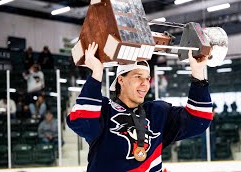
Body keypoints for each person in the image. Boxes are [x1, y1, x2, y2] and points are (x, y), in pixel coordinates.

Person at [67, 42, 213, 172]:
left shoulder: (157, 113)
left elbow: (198, 121)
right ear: (121, 80)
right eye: (138, 76)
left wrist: (198, 73)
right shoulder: (104, 109)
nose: (145, 83)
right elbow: (82, 123)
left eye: (147, 78)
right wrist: (97, 73)